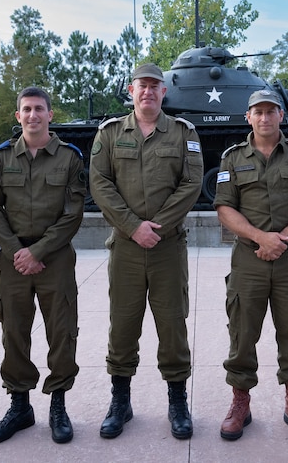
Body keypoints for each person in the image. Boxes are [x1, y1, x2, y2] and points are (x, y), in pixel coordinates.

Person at [89, 63, 203, 440]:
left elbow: (191, 184)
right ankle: (120, 401)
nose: (149, 92)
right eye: (143, 86)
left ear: (164, 92)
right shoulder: (109, 134)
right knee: (122, 325)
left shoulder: (183, 133)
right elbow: (100, 183)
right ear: (131, 90)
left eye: (155, 86)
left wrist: (158, 227)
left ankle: (177, 402)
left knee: (172, 325)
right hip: (125, 247)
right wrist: (133, 226)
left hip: (167, 247)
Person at [213, 89, 288, 443]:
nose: (264, 118)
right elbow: (224, 207)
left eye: (270, 111)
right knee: (242, 333)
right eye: (257, 112)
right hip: (249, 260)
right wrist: (261, 238)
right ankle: (240, 403)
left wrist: (282, 240)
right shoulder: (233, 157)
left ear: (280, 115)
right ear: (249, 117)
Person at [0, 86, 86, 445]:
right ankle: (20, 405)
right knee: (13, 330)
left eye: (39, 109)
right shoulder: (0, 159)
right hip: (13, 260)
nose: (32, 115)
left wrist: (38, 252)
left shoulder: (69, 159)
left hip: (54, 258)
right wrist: (17, 252)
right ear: (18, 116)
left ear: (49, 114)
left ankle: (58, 403)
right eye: (26, 109)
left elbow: (73, 214)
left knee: (61, 331)